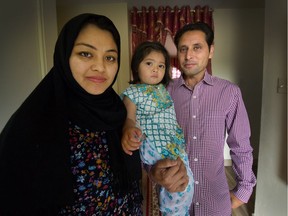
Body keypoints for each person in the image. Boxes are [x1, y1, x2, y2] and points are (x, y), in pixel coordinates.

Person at [0, 13, 142, 215]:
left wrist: (157, 173)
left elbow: (129, 179)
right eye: (86, 54)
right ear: (64, 55)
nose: (100, 67)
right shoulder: (33, 124)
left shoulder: (115, 112)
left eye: (110, 57)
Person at [122, 22, 257, 216]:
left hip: (214, 198)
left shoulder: (229, 93)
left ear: (211, 51)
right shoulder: (163, 93)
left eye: (197, 47)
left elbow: (240, 144)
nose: (189, 55)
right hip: (173, 196)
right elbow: (147, 136)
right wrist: (153, 171)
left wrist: (243, 190)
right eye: (183, 49)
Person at [121, 41, 194, 216]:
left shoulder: (163, 89)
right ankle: (173, 213)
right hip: (154, 142)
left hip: (173, 143)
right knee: (173, 183)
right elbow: (129, 118)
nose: (156, 69)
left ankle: (182, 212)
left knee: (188, 181)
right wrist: (129, 130)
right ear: (136, 67)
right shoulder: (133, 92)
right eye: (149, 63)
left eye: (161, 65)